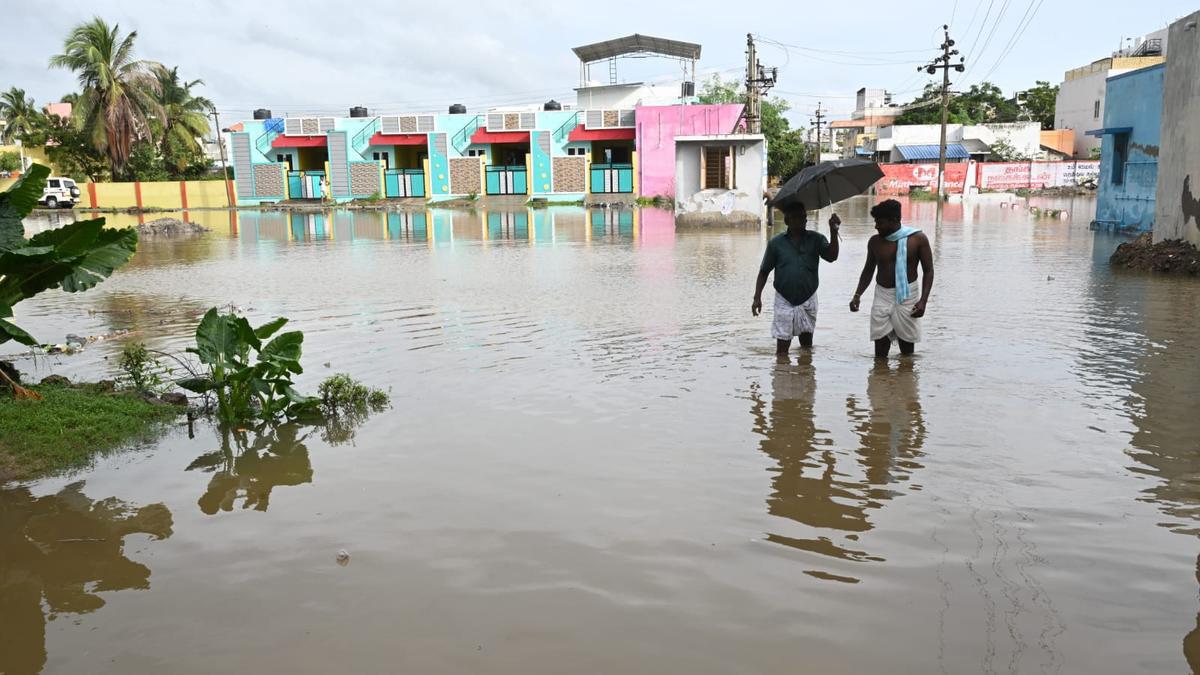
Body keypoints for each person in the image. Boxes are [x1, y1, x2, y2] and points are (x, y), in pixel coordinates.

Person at [849, 199, 934, 358]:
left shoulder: (918, 239)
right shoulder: (875, 242)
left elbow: (928, 270)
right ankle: (880, 379)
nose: (876, 226)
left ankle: (904, 381)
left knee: (907, 350)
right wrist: (857, 295)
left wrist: (923, 301)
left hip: (908, 295)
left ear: (894, 220)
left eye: (880, 222)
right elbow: (868, 270)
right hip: (883, 295)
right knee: (880, 349)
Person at [753, 202, 840, 355]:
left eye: (803, 217)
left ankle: (805, 371)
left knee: (806, 345)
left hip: (808, 297)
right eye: (797, 218)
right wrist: (757, 297)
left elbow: (832, 256)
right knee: (782, 347)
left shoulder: (817, 239)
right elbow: (764, 271)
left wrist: (834, 232)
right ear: (787, 221)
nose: (802, 221)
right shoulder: (776, 243)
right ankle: (782, 373)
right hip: (784, 298)